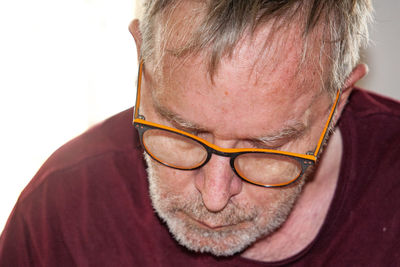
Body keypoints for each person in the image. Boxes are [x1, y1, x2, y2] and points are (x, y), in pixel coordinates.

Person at [1, 0, 399, 265]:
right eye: (183, 131)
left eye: (265, 148)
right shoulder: (63, 208)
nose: (213, 197)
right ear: (143, 60)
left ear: (339, 100)